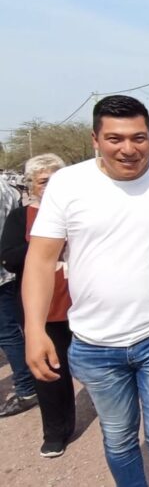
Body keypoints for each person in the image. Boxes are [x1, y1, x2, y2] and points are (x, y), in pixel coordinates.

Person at [22, 95, 149, 486]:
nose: (129, 149)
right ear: (95, 139)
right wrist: (35, 329)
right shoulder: (67, 184)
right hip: (95, 343)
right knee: (120, 439)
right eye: (115, 138)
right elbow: (41, 260)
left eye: (138, 138)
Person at [0, 154, 73, 456]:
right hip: (44, 303)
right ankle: (56, 430)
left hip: (85, 299)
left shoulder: (81, 211)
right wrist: (46, 244)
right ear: (32, 185)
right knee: (51, 367)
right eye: (44, 181)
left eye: (57, 179)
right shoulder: (22, 217)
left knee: (99, 364)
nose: (50, 186)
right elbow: (10, 258)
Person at [0, 174, 38, 419]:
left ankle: (26, 388)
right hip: (8, 271)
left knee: (8, 333)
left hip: (4, 273)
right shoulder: (7, 188)